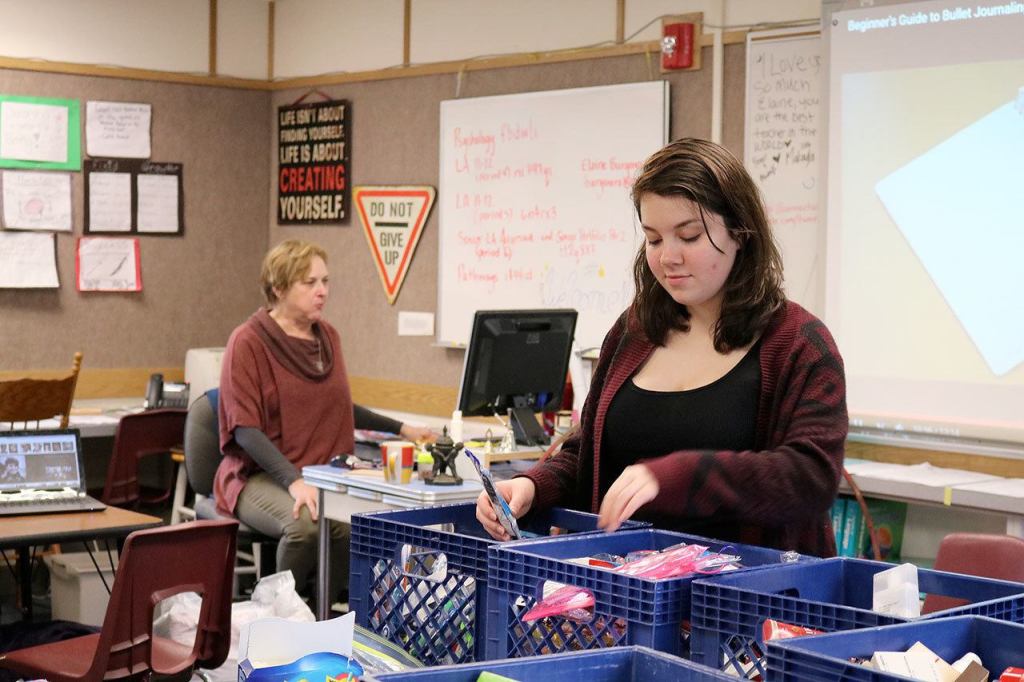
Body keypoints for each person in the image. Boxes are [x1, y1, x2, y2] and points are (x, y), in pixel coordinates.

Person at [476, 138, 847, 557]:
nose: (668, 257)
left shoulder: (800, 344)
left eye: (688, 236)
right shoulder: (634, 331)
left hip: (742, 607)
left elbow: (810, 478)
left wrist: (677, 476)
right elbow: (590, 453)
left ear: (741, 233)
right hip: (624, 602)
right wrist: (531, 485)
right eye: (653, 239)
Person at [216, 239, 434, 601]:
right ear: (279, 288)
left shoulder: (328, 338)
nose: (322, 292)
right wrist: (293, 481)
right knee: (304, 526)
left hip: (320, 473)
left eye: (325, 281)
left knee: (356, 527)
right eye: (310, 283)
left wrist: (402, 429)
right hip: (259, 475)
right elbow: (245, 429)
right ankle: (275, 615)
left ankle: (322, 614)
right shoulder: (248, 342)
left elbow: (338, 405)